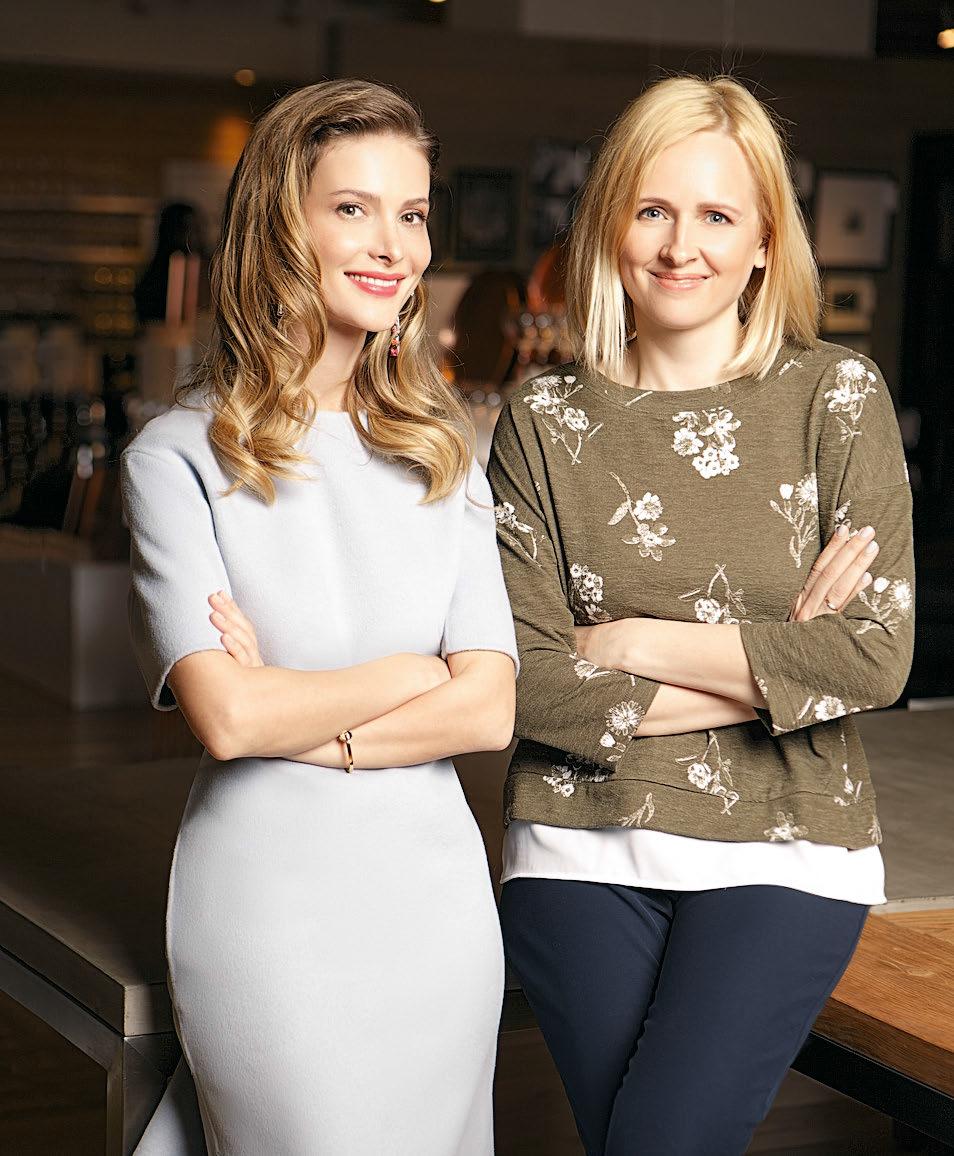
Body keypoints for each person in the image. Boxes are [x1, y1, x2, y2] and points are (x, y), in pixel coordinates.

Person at [487, 74, 914, 1156]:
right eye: (654, 210)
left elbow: (871, 655)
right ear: (611, 225)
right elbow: (526, 680)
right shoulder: (542, 419)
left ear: (766, 241)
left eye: (718, 215)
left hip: (788, 842)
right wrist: (776, 667)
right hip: (577, 843)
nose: (683, 247)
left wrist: (632, 643)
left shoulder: (836, 397)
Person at [122, 79, 517, 1156]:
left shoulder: (448, 456)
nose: (392, 243)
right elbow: (230, 719)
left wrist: (300, 711)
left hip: (438, 908)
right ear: (278, 226)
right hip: (271, 911)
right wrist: (409, 675)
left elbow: (488, 711)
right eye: (352, 207)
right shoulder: (175, 458)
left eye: (412, 212)